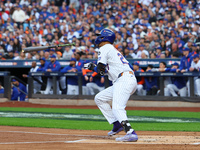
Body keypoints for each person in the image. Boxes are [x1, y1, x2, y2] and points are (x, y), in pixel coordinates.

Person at [84, 29, 138, 142]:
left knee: (117, 108)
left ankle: (130, 132)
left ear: (105, 38)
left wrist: (92, 67)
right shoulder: (112, 50)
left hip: (124, 80)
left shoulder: (105, 47)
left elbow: (99, 70)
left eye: (100, 36)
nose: (98, 38)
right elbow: (103, 71)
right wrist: (94, 67)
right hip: (124, 79)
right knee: (99, 98)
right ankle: (116, 124)